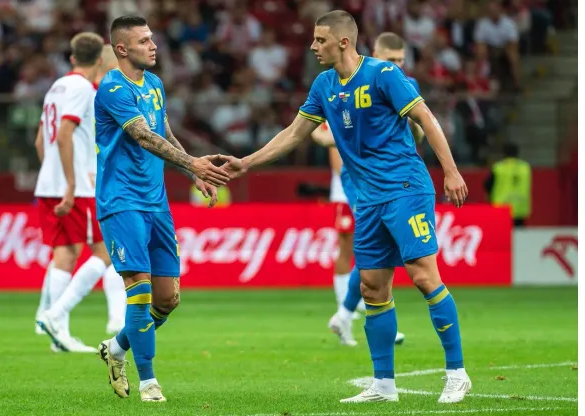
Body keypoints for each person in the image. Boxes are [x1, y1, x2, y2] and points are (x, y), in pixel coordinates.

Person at [220, 10, 471, 404]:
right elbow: (294, 133)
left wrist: (451, 171)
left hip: (405, 188)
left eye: (319, 40)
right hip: (367, 197)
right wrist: (246, 162)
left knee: (424, 276)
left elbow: (425, 116)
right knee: (372, 287)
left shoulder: (384, 76)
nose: (312, 46)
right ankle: (384, 386)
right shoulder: (323, 86)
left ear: (343, 42)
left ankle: (456, 373)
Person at [94, 15, 230, 402]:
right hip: (122, 202)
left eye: (152, 38)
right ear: (122, 49)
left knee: (167, 299)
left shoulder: (153, 84)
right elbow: (142, 136)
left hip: (156, 202)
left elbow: (164, 132)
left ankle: (116, 349)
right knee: (138, 291)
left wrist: (193, 173)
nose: (153, 45)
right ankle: (148, 382)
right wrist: (193, 164)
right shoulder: (112, 89)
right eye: (143, 40)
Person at [315, 32, 422, 348]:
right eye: (391, 60)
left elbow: (417, 133)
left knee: (375, 247)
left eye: (402, 61)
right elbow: (320, 134)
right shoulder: (345, 82)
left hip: (391, 177)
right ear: (373, 53)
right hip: (358, 179)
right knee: (371, 246)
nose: (397, 66)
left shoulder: (405, 85)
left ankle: (347, 314)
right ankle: (355, 312)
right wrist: (348, 147)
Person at [34, 44, 128, 344]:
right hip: (80, 184)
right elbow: (64, 134)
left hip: (50, 182)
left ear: (72, 57)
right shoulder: (87, 89)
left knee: (65, 253)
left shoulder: (57, 87)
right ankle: (55, 314)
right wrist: (71, 182)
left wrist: (55, 173)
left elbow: (40, 141)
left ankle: (51, 325)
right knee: (107, 252)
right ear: (101, 61)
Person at [484, 143, 531, 227]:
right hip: (520, 208)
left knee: (502, 234)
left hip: (502, 208)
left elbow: (487, 185)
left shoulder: (499, 167)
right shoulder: (525, 167)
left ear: (504, 153)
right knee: (518, 236)